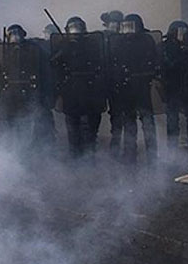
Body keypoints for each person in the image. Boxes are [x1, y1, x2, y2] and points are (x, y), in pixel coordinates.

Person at [52, 16, 106, 158]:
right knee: (73, 128)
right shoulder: (63, 46)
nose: (76, 31)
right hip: (71, 92)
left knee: (91, 129)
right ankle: (75, 158)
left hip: (91, 92)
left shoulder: (92, 44)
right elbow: (55, 66)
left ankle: (89, 157)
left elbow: (100, 64)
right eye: (72, 28)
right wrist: (64, 50)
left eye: (78, 27)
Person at [112, 14, 159, 163]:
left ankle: (152, 154)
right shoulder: (119, 42)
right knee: (129, 121)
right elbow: (115, 63)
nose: (128, 30)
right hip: (126, 88)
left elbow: (154, 61)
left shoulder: (146, 40)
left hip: (142, 87)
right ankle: (129, 154)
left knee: (147, 121)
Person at [163, 20, 188, 150]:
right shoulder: (165, 47)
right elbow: (168, 65)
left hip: (186, 86)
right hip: (172, 85)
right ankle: (173, 147)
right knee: (173, 118)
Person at [101, 10, 125, 157]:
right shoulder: (99, 38)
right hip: (101, 81)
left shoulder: (124, 39)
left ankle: (115, 146)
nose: (116, 26)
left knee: (117, 116)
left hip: (118, 82)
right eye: (113, 22)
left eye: (118, 23)